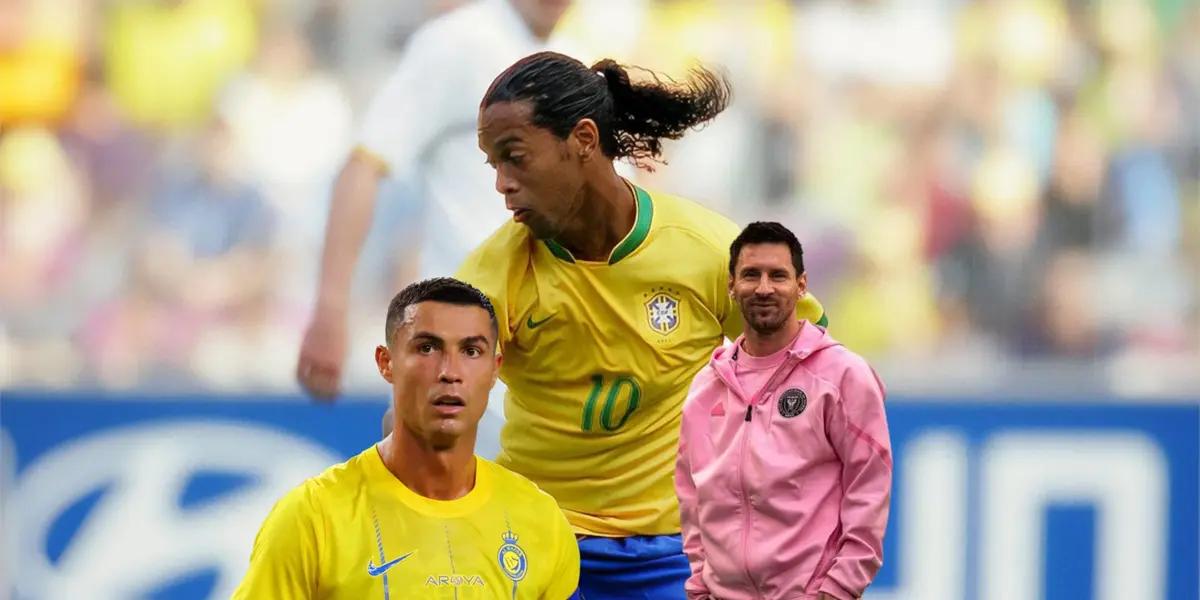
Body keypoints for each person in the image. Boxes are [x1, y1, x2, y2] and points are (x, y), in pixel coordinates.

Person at [458, 51, 827, 597]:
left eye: (515, 158)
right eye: (494, 165)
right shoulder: (495, 276)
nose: (503, 184)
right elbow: (434, 392)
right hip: (535, 543)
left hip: (675, 553)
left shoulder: (706, 252)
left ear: (582, 140)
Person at [235, 278, 579, 599]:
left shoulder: (541, 521)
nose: (450, 372)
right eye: (428, 348)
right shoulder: (312, 519)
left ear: (495, 368)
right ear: (386, 363)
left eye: (471, 351)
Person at [297, 0, 572, 400]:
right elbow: (363, 166)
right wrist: (331, 308)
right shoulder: (458, 42)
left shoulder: (579, 55)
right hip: (467, 347)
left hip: (555, 353)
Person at [675, 222, 891, 600]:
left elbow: (869, 489)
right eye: (750, 275)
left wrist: (838, 589)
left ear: (801, 285)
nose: (763, 288)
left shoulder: (842, 376)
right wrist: (700, 585)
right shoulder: (706, 387)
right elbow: (692, 497)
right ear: (731, 285)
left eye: (778, 275)